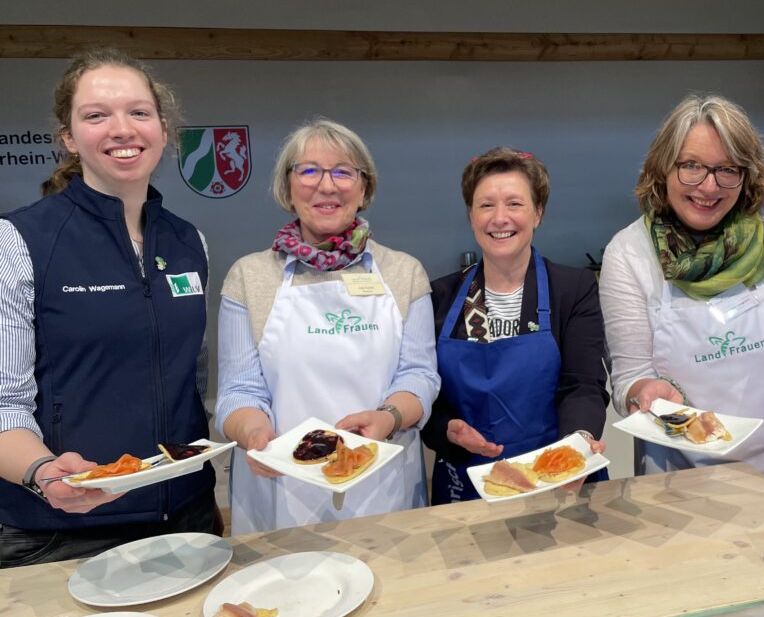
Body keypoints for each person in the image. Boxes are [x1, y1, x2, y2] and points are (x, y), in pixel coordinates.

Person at [0, 49, 218, 566]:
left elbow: (190, 377)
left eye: (139, 113)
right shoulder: (19, 241)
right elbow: (4, 401)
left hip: (187, 515)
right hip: (61, 529)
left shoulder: (190, 242)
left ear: (163, 131)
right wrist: (42, 472)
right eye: (97, 115)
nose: (122, 129)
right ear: (69, 138)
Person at [215, 118, 440, 534]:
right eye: (309, 170)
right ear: (288, 185)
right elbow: (238, 389)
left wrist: (388, 417)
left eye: (343, 171)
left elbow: (420, 374)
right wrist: (254, 434)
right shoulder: (250, 275)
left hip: (381, 482)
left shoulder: (403, 271)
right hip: (280, 488)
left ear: (363, 187)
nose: (327, 185)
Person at [600, 95, 764, 478]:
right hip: (677, 481)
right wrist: (642, 390)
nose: (708, 186)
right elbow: (627, 378)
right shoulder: (631, 253)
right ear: (663, 168)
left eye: (727, 169)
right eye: (691, 166)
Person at [423, 148, 608, 503]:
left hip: (559, 475)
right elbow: (429, 397)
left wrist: (578, 443)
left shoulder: (572, 290)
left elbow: (583, 384)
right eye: (486, 205)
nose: (500, 218)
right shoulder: (441, 296)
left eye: (514, 204)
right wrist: (447, 429)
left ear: (538, 213)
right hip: (469, 482)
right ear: (470, 215)